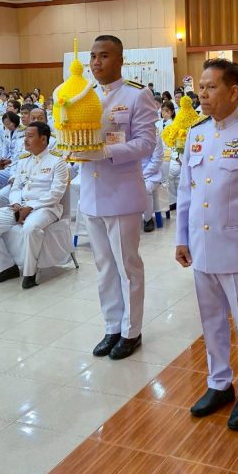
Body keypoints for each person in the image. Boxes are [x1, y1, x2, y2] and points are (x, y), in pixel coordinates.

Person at [176, 58, 238, 430]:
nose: (202, 94)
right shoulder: (196, 132)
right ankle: (219, 382)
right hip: (202, 245)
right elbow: (186, 190)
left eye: (211, 87)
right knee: (211, 321)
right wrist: (181, 238)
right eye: (200, 87)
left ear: (233, 91)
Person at [80, 34, 157, 359]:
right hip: (91, 193)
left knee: (127, 267)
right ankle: (112, 326)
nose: (96, 62)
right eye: (93, 56)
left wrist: (105, 152)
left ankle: (131, 331)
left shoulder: (137, 95)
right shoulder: (83, 94)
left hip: (122, 194)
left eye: (104, 55)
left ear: (121, 60)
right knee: (104, 267)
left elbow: (146, 143)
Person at [0, 121, 68, 290]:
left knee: (30, 228)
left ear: (43, 139)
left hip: (47, 208)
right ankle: (6, 267)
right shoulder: (23, 161)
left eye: (30, 136)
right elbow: (16, 187)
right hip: (20, 206)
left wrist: (31, 207)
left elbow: (56, 193)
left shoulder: (57, 162)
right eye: (25, 136)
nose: (25, 140)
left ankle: (29, 273)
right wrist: (16, 204)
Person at [142, 130, 164, 232]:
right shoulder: (128, 132)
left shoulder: (154, 135)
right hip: (131, 173)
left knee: (145, 189)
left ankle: (148, 219)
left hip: (151, 175)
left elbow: (157, 160)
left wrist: (141, 175)